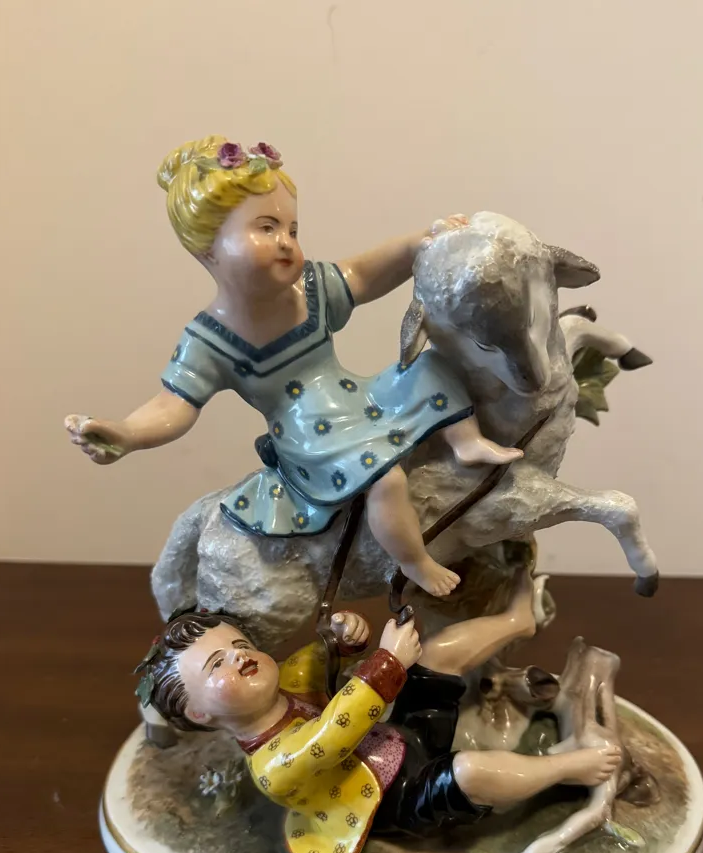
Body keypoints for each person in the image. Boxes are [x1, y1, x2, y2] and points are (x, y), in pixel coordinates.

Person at [65, 135, 522, 597]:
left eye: (292, 230)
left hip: (356, 397)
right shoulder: (207, 340)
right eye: (266, 228)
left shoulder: (310, 288)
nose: (285, 242)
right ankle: (414, 561)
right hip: (309, 436)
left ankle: (465, 442)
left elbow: (363, 274)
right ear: (208, 248)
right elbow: (173, 406)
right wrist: (126, 433)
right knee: (385, 479)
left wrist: (418, 244)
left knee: (430, 365)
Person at [137, 572, 621, 853]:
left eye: (240, 645)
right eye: (216, 665)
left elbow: (317, 659)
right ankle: (570, 768)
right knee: (470, 771)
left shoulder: (285, 683)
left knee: (435, 655)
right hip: (396, 800)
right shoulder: (272, 766)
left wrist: (340, 637)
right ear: (200, 714)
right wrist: (386, 662)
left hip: (402, 739)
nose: (239, 657)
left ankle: (518, 620)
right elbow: (332, 733)